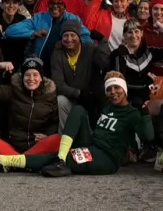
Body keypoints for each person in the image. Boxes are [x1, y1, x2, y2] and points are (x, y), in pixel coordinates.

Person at [11, 72, 153, 177]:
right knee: (78, 110)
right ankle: (60, 159)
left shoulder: (132, 113)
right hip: (92, 145)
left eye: (117, 88)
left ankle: (5, 161)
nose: (113, 92)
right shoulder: (108, 107)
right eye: (109, 89)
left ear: (125, 90)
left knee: (58, 158)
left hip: (107, 158)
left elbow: (148, 136)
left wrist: (145, 113)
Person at [0, 57, 61, 175]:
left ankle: (12, 163)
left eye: (35, 75)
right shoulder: (14, 90)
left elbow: (54, 122)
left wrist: (47, 136)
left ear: (41, 78)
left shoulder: (49, 95)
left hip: (37, 148)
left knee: (58, 139)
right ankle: (24, 163)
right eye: (27, 75)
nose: (31, 79)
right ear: (22, 77)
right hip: (13, 146)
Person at [45, 21, 106, 125]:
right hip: (73, 99)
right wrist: (78, 93)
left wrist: (103, 42)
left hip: (92, 99)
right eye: (65, 35)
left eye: (73, 35)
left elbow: (104, 62)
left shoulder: (90, 48)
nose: (69, 39)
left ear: (79, 36)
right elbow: (58, 83)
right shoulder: (57, 55)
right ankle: (63, 137)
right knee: (60, 100)